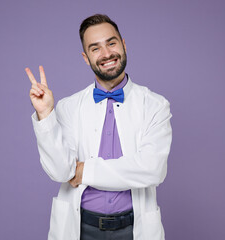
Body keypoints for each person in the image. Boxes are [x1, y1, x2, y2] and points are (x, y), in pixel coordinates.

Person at [26, 14, 172, 240]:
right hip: (81, 227)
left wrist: (84, 171)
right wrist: (45, 114)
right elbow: (60, 171)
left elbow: (152, 169)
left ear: (123, 45)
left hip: (134, 228)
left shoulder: (155, 105)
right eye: (95, 48)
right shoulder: (68, 107)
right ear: (86, 58)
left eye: (111, 43)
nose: (106, 54)